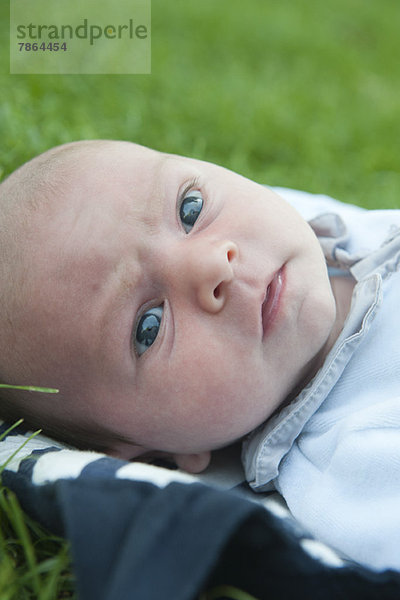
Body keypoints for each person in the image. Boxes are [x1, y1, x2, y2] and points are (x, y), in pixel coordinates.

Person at [1, 140, 399, 569]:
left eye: (189, 210)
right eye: (147, 328)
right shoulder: (351, 469)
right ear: (157, 454)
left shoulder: (312, 228)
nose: (213, 265)